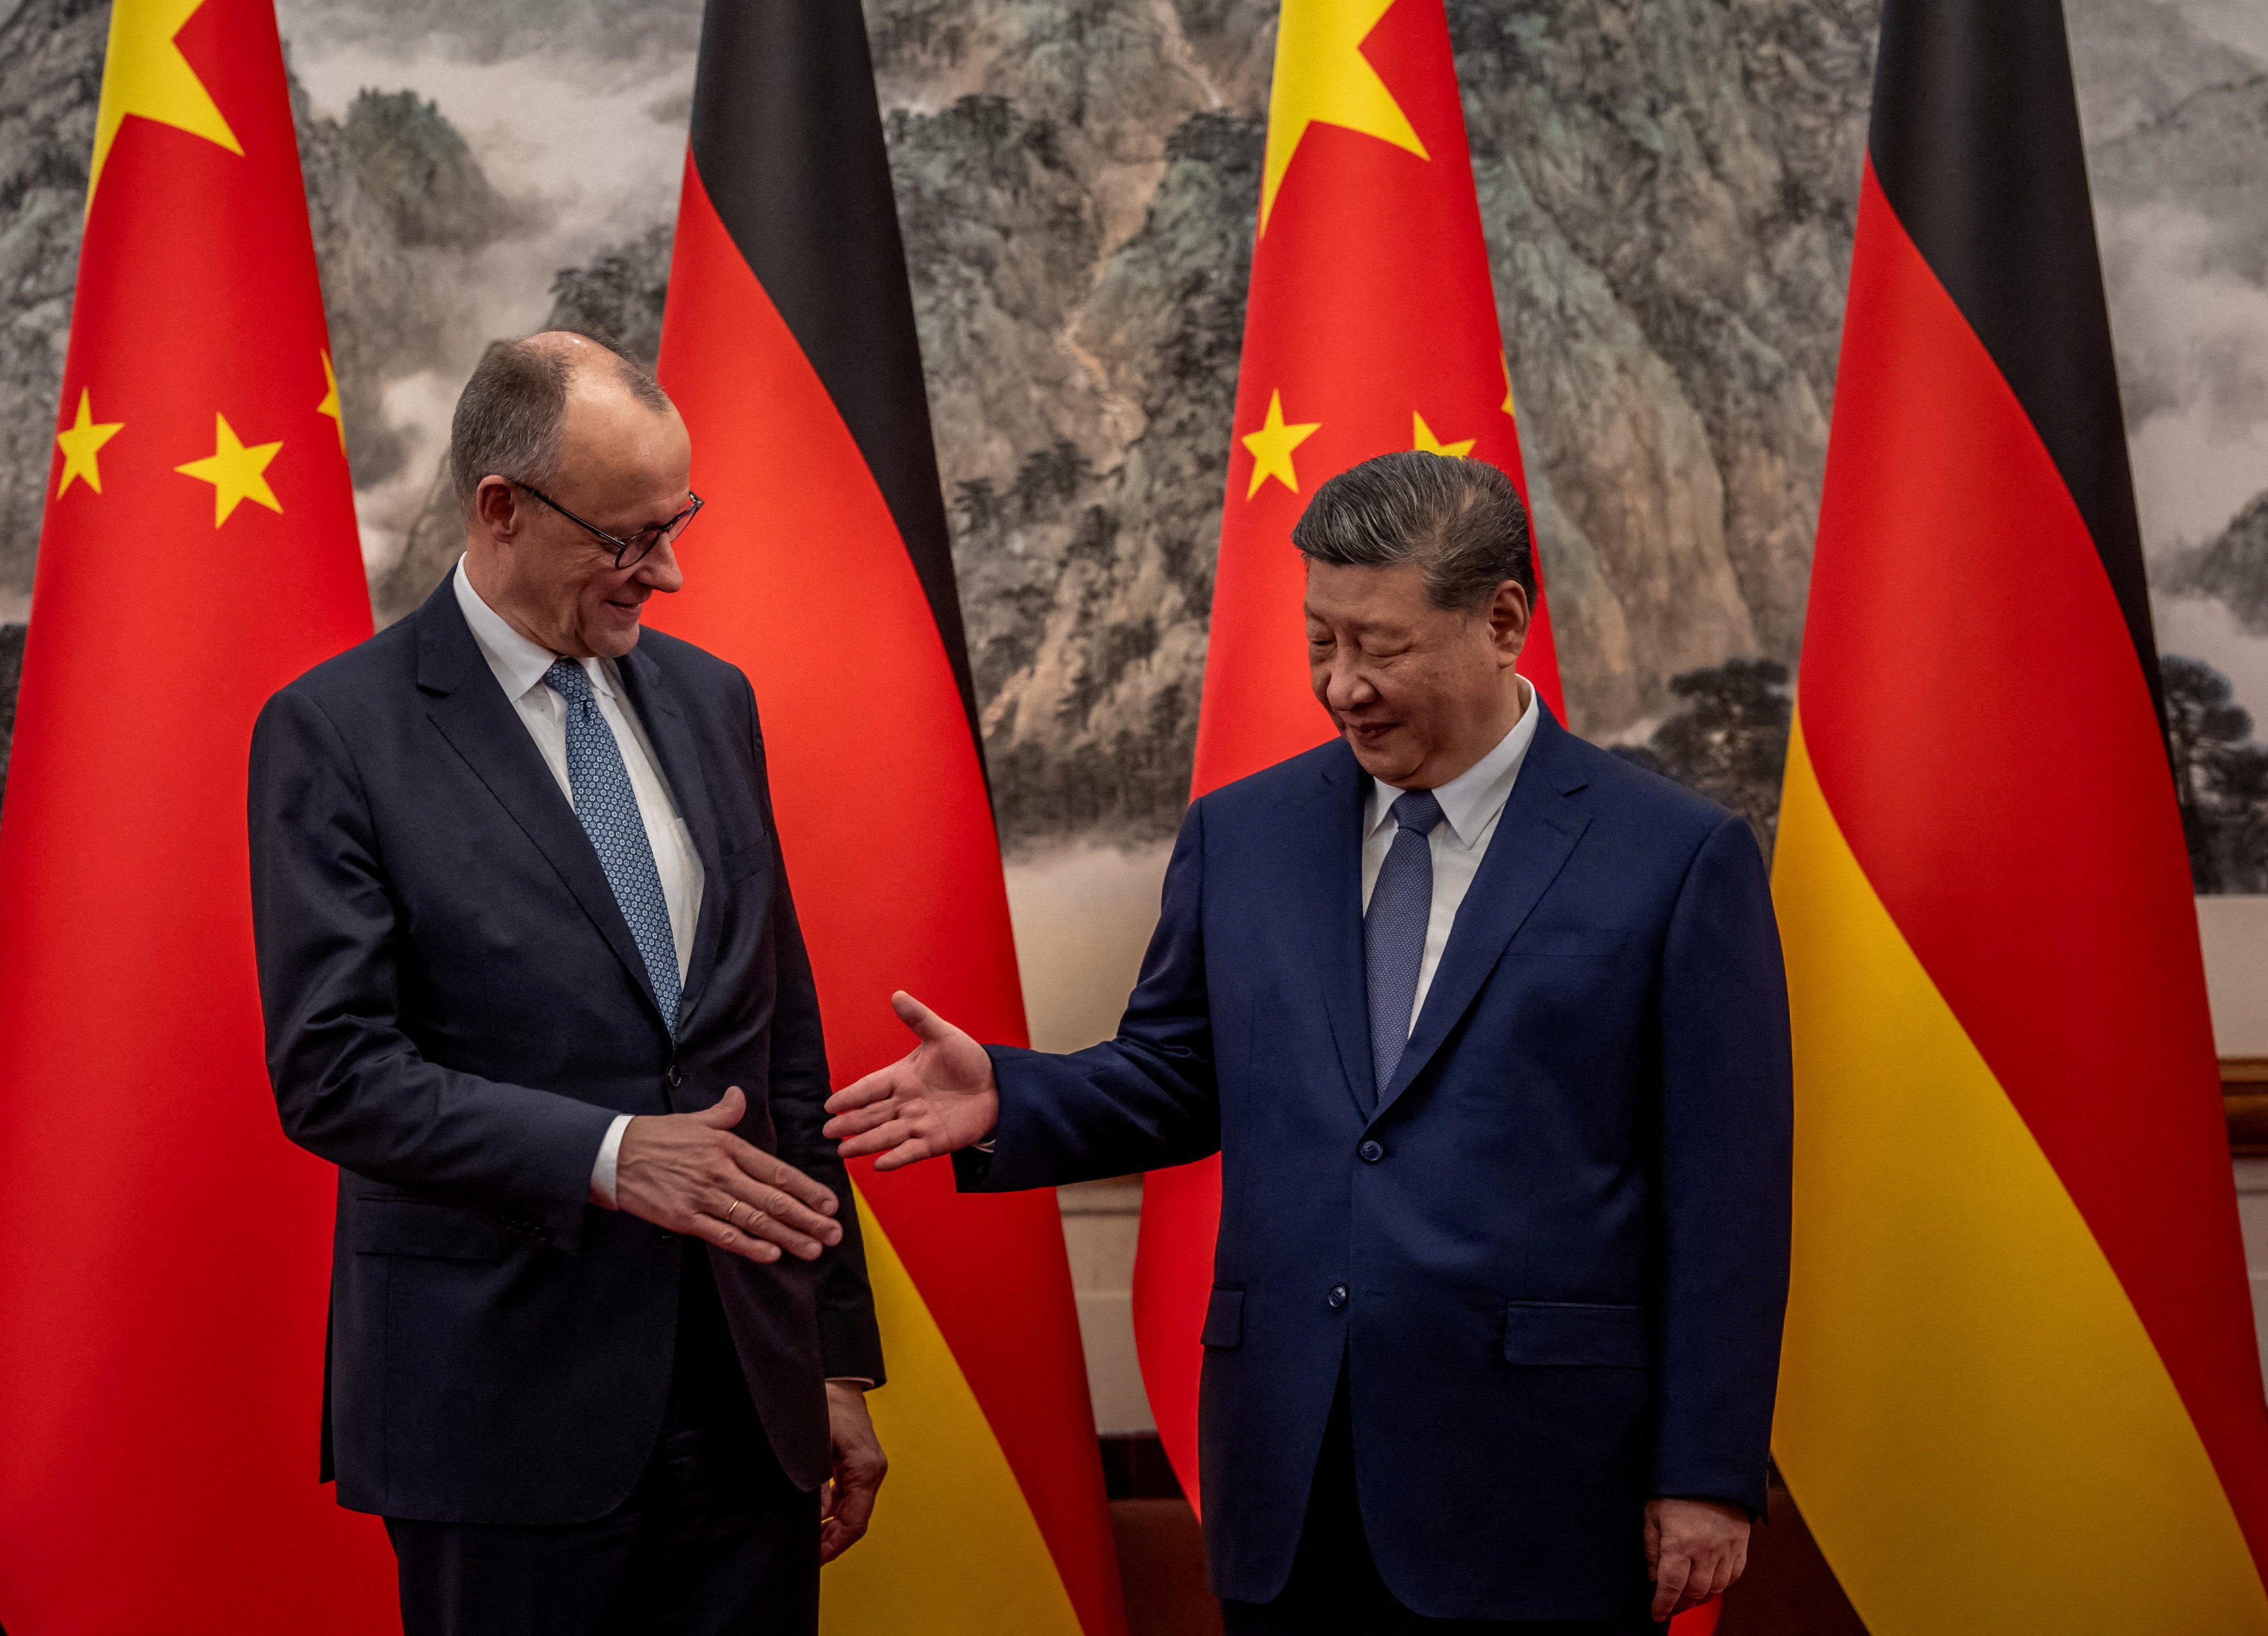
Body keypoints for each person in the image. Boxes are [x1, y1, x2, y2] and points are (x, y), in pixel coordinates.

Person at [827, 451, 1790, 1632]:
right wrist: (1011, 1099)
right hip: (1290, 1472)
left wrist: (1706, 1470)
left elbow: (1727, 1196)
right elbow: (1178, 1075)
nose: (1342, 687)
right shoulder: (1244, 835)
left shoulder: (1676, 859)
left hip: (1541, 1479)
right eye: (1320, 641)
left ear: (1502, 621)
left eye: (1378, 646)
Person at [250, 331, 886, 1636]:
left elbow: (782, 1051)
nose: (667, 571)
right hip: (500, 1403)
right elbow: (334, 1071)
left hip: (740, 1394)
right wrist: (605, 1153)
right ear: (500, 509)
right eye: (629, 536)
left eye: (677, 522)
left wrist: (826, 1357)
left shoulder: (711, 702)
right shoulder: (337, 732)